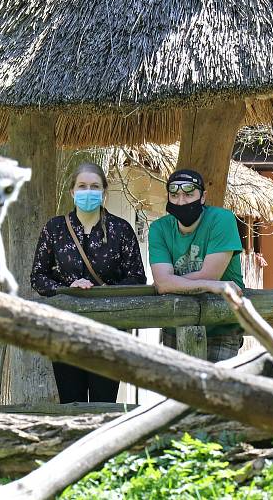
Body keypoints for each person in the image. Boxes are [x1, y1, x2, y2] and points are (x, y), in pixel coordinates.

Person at [31, 162, 147, 403]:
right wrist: (65, 288)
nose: (88, 191)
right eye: (82, 186)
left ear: (104, 192)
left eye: (94, 186)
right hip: (65, 330)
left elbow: (137, 277)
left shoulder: (121, 230)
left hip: (109, 330)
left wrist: (105, 292)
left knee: (104, 403)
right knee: (71, 402)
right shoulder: (55, 229)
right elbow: (38, 277)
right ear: (72, 191)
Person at [148, 169, 245, 361]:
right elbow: (208, 281)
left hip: (222, 326)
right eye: (174, 195)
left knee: (215, 391)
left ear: (203, 197)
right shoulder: (158, 228)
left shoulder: (222, 219)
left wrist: (168, 283)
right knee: (176, 391)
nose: (181, 201)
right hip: (173, 326)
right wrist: (209, 285)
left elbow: (210, 275)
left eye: (189, 194)